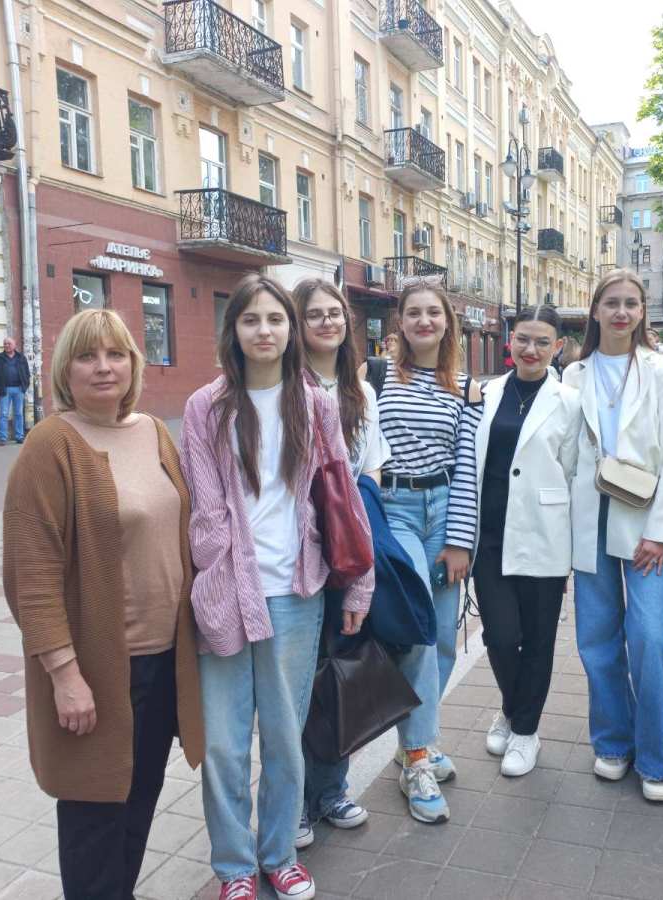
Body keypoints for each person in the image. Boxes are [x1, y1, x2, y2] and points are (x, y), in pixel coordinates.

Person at [2, 309, 205, 899]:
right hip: (98, 670)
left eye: (116, 354)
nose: (103, 367)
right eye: (86, 356)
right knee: (94, 811)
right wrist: (65, 675)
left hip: (165, 662)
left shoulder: (154, 432)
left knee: (139, 800)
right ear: (64, 370)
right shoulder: (50, 445)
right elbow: (31, 577)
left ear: (133, 365)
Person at [182, 275, 373, 900]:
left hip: (295, 592)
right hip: (225, 594)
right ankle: (234, 867)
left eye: (274, 319)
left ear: (290, 330)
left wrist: (359, 586)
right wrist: (223, 579)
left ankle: (279, 853)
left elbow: (342, 497)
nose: (263, 330)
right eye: (250, 320)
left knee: (285, 736)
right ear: (232, 331)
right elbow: (205, 511)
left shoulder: (314, 403)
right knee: (225, 743)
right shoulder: (206, 406)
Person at [563, 269, 663, 802]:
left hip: (644, 519)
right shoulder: (574, 373)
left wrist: (661, 533)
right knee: (596, 638)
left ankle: (657, 758)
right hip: (588, 516)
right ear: (594, 310)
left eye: (631, 303)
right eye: (611, 303)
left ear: (642, 311)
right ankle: (613, 741)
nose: (621, 312)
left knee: (650, 637)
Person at [361, 282, 483, 823]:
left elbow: (467, 467)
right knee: (415, 634)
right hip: (395, 508)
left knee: (442, 638)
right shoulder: (376, 376)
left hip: (444, 508)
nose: (425, 320)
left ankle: (417, 741)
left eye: (434, 312)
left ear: (448, 322)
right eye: (414, 312)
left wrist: (459, 540)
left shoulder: (466, 386)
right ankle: (416, 758)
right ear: (401, 323)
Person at [293, 279, 388, 849]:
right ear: (298, 325)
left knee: (341, 672)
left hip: (346, 552)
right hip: (298, 553)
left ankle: (331, 790)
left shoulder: (361, 391)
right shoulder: (286, 386)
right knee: (298, 683)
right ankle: (295, 802)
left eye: (335, 313)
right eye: (315, 315)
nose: (328, 322)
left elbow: (370, 470)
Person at [473, 306, 581, 778]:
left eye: (541, 342)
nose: (530, 350)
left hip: (544, 534)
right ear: (509, 341)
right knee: (500, 636)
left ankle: (524, 731)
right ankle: (513, 708)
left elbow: (574, 473)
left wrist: (572, 552)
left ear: (557, 347)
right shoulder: (488, 392)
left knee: (537, 640)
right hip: (489, 535)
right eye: (523, 339)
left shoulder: (569, 402)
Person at [0, 336, 31, 445]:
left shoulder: (21, 357)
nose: (6, 345)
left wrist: (25, 386)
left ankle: (19, 436)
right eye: (5, 343)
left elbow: (27, 373)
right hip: (4, 389)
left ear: (14, 345)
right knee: (4, 414)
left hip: (19, 389)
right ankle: (3, 438)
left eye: (9, 343)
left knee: (18, 413)